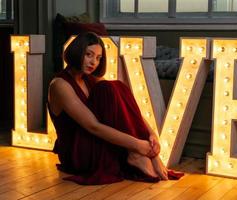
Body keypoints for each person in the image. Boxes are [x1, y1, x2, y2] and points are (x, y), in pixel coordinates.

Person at [48, 32, 183, 185]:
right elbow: (94, 126)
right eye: (89, 55)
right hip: (77, 152)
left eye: (98, 58)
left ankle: (138, 155)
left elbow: (125, 107)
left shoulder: (90, 78)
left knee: (117, 86)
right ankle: (135, 154)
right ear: (77, 52)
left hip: (96, 142)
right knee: (108, 88)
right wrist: (138, 146)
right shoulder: (60, 85)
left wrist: (151, 137)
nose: (94, 62)